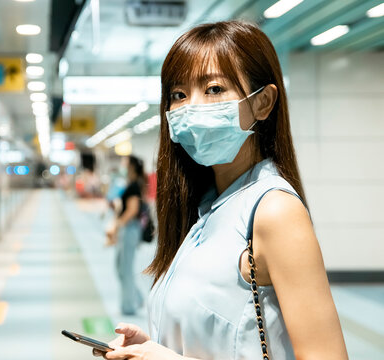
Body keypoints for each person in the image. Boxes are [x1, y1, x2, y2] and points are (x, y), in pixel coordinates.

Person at [95, 21, 348, 360]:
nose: (191, 107)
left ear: (262, 103)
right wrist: (159, 346)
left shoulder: (273, 211)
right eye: (178, 95)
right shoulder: (206, 209)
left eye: (214, 89)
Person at [106, 155, 146, 315]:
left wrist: (117, 225)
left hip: (130, 230)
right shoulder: (128, 184)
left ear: (132, 166)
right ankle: (136, 298)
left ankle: (129, 305)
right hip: (126, 229)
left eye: (125, 163)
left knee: (125, 268)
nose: (122, 165)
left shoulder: (135, 186)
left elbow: (133, 210)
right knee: (120, 267)